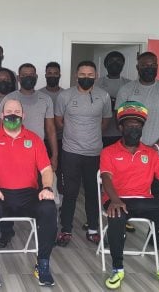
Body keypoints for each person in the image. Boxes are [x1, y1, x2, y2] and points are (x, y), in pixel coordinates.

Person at [101, 101, 159, 290]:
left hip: (145, 201)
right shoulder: (108, 152)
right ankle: (117, 269)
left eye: (138, 125)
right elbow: (106, 178)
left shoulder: (150, 154)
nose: (134, 128)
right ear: (120, 127)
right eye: (129, 125)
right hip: (117, 200)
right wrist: (115, 200)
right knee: (116, 215)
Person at [0, 99, 57, 287]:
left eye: (17, 111)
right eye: (8, 111)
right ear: (2, 115)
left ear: (23, 115)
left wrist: (46, 188)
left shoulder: (35, 139)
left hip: (28, 194)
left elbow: (46, 169)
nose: (13, 114)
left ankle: (43, 264)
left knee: (49, 209)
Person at [115, 51, 159, 250]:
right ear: (137, 68)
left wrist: (157, 147)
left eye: (152, 64)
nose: (149, 68)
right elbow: (120, 122)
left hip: (157, 152)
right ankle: (118, 230)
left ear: (157, 65)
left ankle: (154, 234)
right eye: (144, 65)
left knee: (156, 195)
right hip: (129, 153)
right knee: (123, 190)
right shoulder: (127, 89)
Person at [0, 63, 57, 248]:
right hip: (11, 153)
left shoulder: (45, 99)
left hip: (37, 154)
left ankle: (43, 232)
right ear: (18, 78)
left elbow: (50, 129)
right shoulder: (9, 98)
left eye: (31, 74)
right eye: (24, 75)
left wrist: (54, 154)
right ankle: (6, 232)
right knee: (8, 193)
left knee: (42, 195)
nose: (28, 77)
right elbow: (1, 128)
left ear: (37, 77)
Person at [55, 60, 112, 247]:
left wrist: (91, 136)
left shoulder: (103, 96)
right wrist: (75, 135)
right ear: (76, 75)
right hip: (70, 152)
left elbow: (105, 122)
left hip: (94, 152)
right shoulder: (65, 96)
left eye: (90, 75)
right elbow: (59, 121)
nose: (86, 78)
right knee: (70, 192)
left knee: (92, 192)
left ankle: (93, 229)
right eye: (82, 74)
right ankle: (65, 229)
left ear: (95, 76)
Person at [94, 51, 135, 233]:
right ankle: (98, 214)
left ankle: (123, 213)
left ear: (124, 63)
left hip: (122, 136)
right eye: (112, 60)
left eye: (119, 60)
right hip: (100, 135)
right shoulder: (97, 84)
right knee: (101, 177)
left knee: (121, 177)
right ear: (106, 64)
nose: (115, 63)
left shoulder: (128, 85)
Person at [38, 61, 64, 196]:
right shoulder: (38, 95)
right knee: (41, 172)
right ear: (45, 75)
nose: (52, 76)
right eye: (50, 73)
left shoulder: (66, 94)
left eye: (55, 73)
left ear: (60, 75)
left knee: (59, 172)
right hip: (42, 141)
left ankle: (59, 202)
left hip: (62, 141)